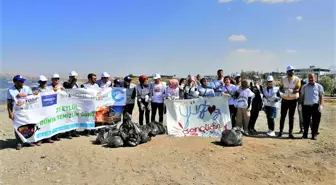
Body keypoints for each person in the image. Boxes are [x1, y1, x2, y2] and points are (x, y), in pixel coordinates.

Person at [7, 75, 33, 150]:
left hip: (27, 110)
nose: (22, 82)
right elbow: (9, 102)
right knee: (18, 126)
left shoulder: (27, 88)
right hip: (17, 111)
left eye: (23, 81)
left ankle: (28, 140)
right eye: (20, 81)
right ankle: (19, 142)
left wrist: (26, 95)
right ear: (15, 82)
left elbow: (33, 99)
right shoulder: (10, 90)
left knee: (28, 125)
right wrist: (10, 113)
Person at [278, 66, 301, 138]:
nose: (292, 72)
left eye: (293, 71)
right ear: (287, 72)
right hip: (285, 99)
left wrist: (293, 91)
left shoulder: (297, 79)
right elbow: (280, 88)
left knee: (291, 117)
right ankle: (281, 131)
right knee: (283, 116)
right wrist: (283, 91)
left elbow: (298, 89)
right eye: (290, 71)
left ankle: (290, 133)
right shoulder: (283, 79)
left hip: (293, 100)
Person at [300, 73, 324, 140]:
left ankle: (314, 135)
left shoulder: (319, 86)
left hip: (315, 106)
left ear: (315, 78)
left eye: (312, 77)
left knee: (315, 121)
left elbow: (321, 96)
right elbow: (301, 96)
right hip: (306, 106)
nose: (311, 78)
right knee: (306, 121)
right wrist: (300, 104)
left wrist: (321, 105)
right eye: (309, 77)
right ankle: (305, 134)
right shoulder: (304, 87)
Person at [31, 75, 55, 144]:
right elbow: (31, 97)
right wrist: (34, 94)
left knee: (48, 123)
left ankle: (48, 138)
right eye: (42, 82)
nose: (44, 83)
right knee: (40, 124)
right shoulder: (35, 89)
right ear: (39, 82)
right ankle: (40, 139)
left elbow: (55, 95)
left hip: (48, 109)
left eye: (45, 82)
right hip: (39, 110)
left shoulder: (49, 89)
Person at [63, 71, 80, 138]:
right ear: (70, 77)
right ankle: (68, 133)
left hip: (75, 103)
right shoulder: (65, 83)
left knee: (75, 118)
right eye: (73, 77)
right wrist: (74, 79)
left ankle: (74, 131)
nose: (74, 78)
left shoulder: (76, 84)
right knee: (68, 118)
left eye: (75, 77)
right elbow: (70, 86)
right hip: (68, 103)